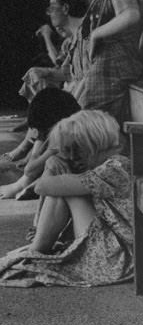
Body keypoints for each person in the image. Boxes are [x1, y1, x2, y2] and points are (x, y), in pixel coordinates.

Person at [0, 110, 133, 287]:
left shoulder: (116, 166)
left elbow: (41, 187)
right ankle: (38, 246)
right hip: (112, 247)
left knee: (62, 188)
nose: (71, 157)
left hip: (116, 257)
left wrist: (52, 163)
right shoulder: (109, 163)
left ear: (94, 142)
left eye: (77, 150)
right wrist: (54, 161)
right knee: (60, 181)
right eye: (67, 151)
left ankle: (37, 249)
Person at [75, 0, 143, 126]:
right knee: (79, 107)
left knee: (84, 117)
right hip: (118, 60)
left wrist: (96, 34)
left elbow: (130, 14)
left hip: (115, 63)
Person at [0, 89, 81, 200]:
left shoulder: (67, 133)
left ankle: (32, 186)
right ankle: (30, 185)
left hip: (81, 177)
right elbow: (32, 166)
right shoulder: (64, 122)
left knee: (53, 163)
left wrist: (19, 185)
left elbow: (30, 170)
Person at [17, 0, 89, 104]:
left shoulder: (87, 37)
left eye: (52, 7)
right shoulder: (72, 41)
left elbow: (86, 79)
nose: (49, 13)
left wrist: (68, 107)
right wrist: (45, 72)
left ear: (65, 8)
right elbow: (67, 73)